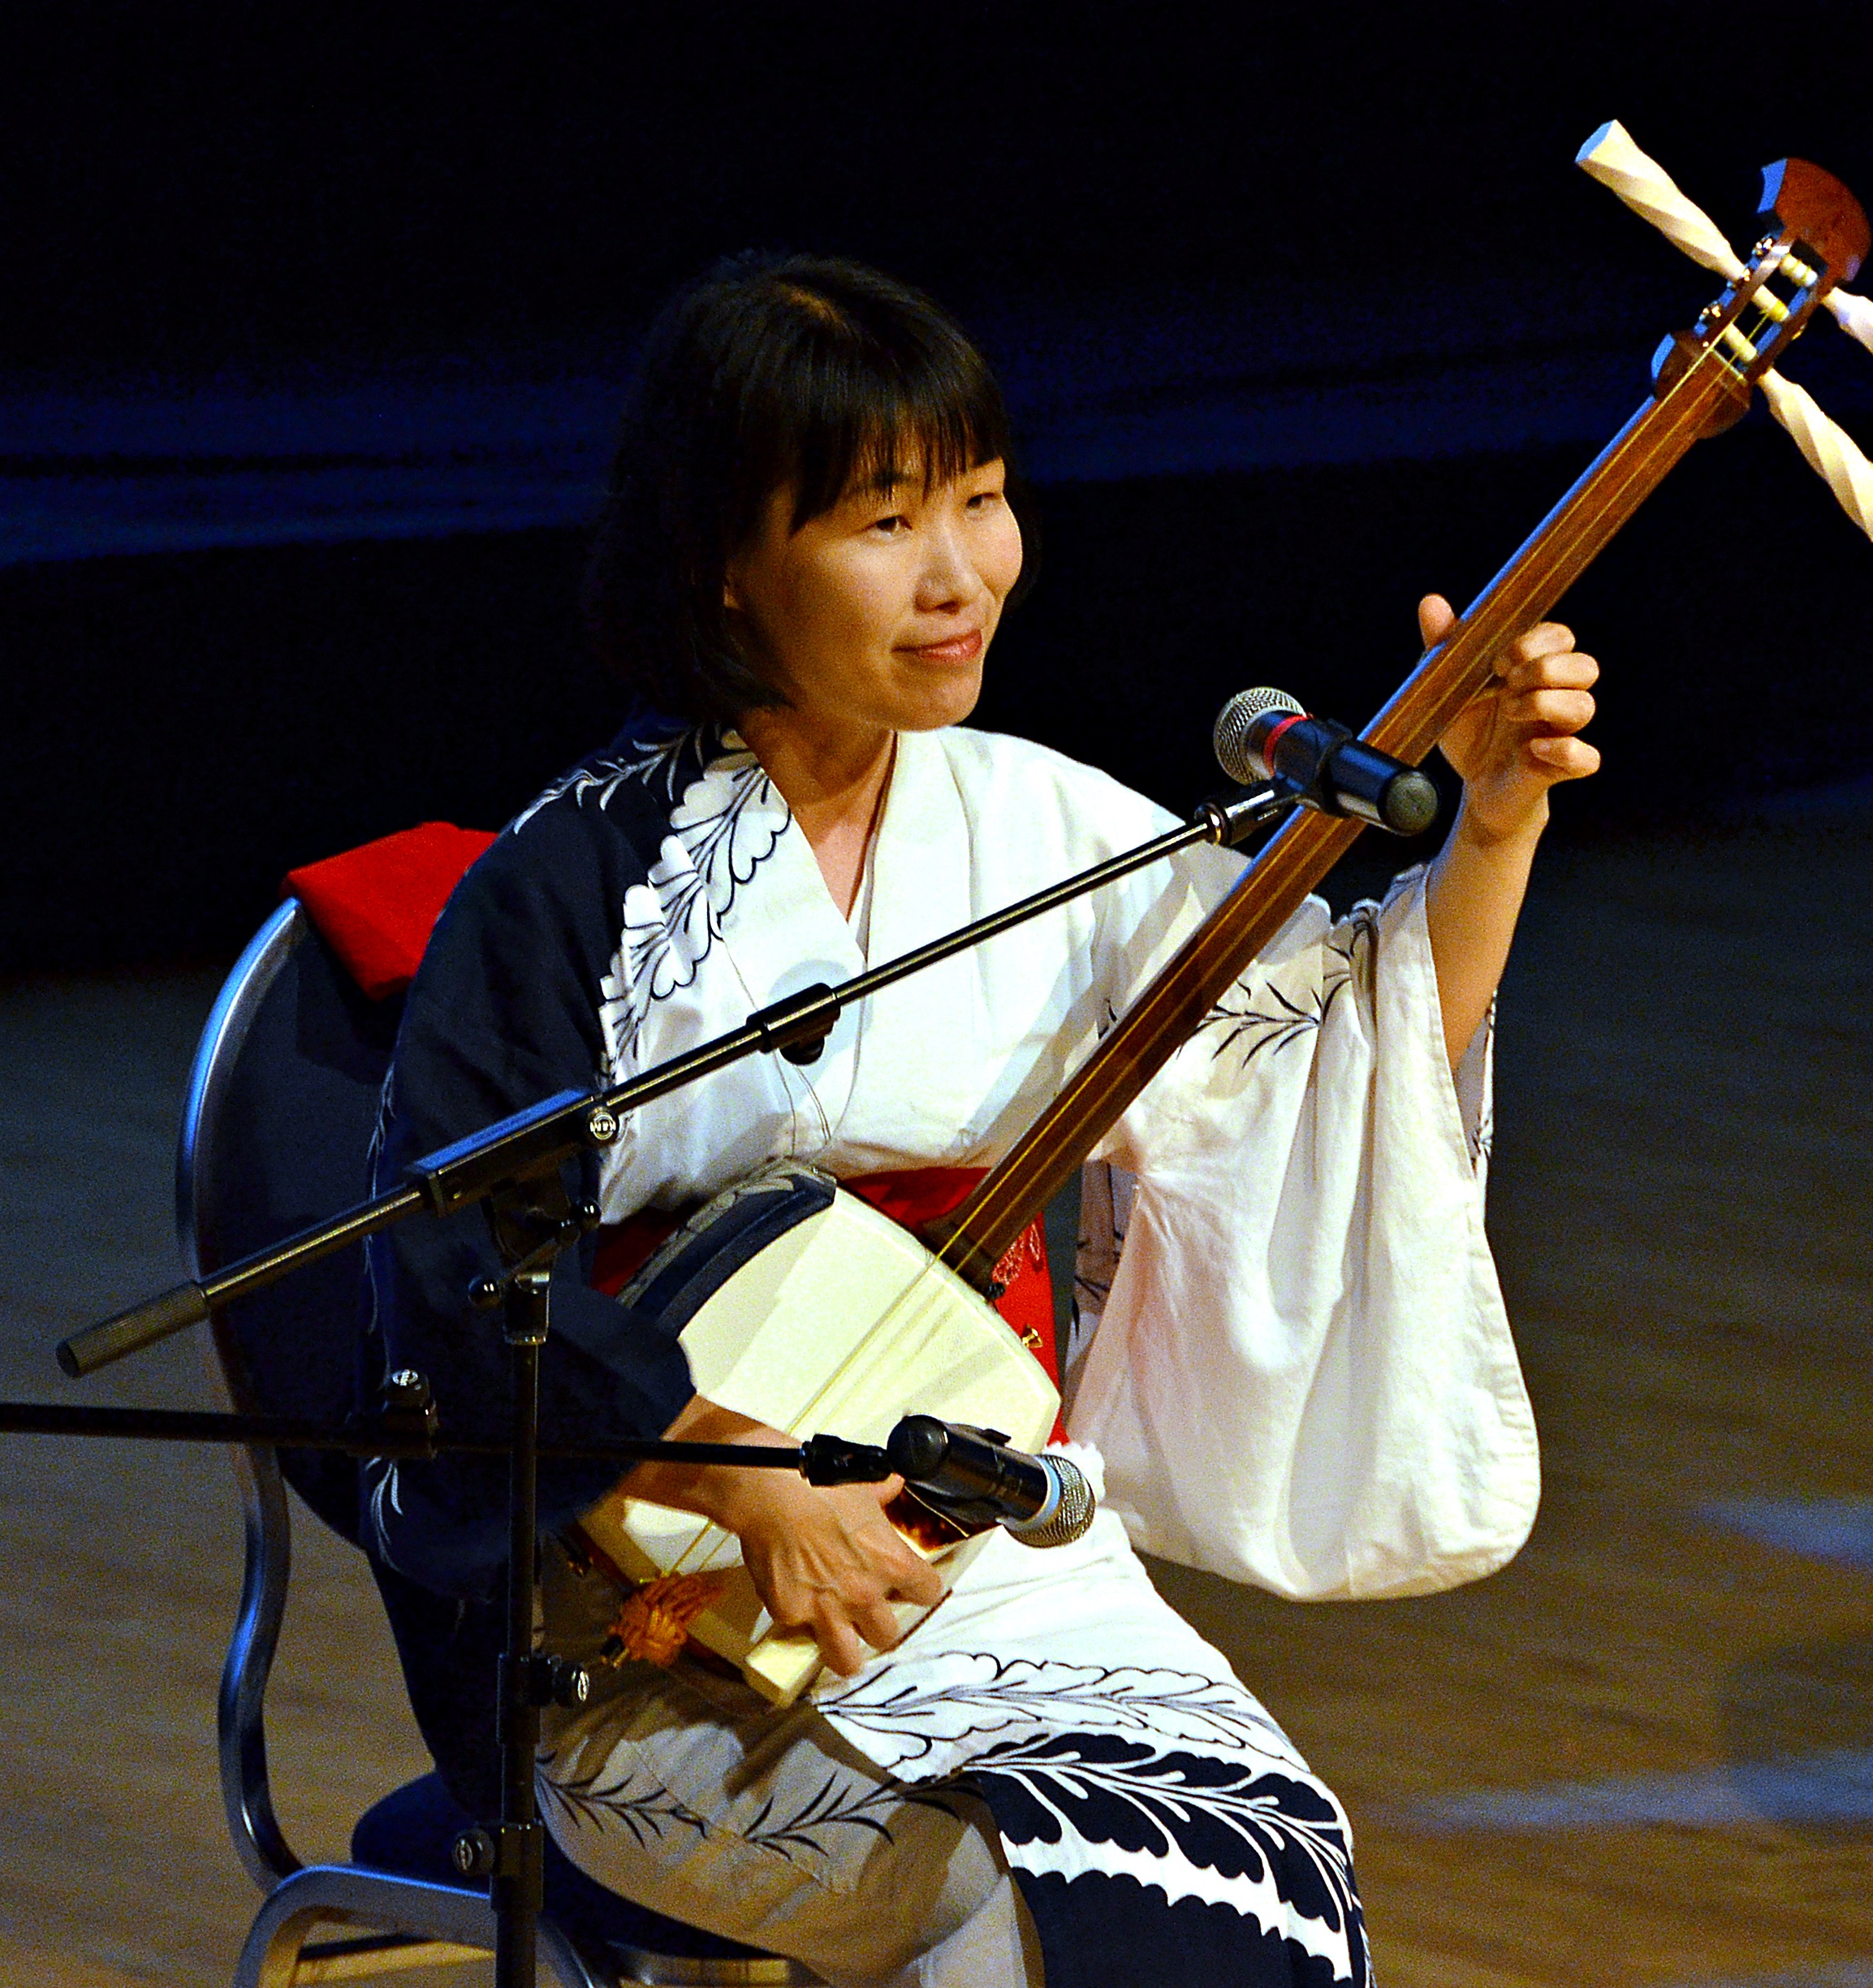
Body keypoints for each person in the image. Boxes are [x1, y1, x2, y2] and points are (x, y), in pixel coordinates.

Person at [360, 253, 1600, 1987]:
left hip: (978, 1561)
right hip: (644, 1626)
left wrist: (1494, 829)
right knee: (1008, 1906)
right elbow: (455, 1293)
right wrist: (742, 1473)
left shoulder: (1039, 827)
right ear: (726, 559)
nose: (960, 578)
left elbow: (1337, 1065)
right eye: (884, 524)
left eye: (985, 501)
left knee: (1253, 1896)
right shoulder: (583, 889)